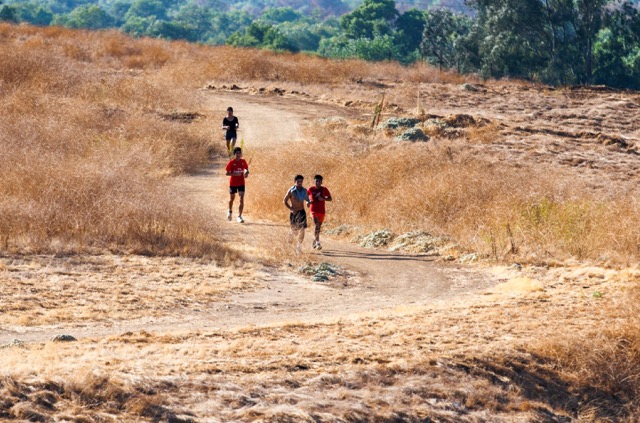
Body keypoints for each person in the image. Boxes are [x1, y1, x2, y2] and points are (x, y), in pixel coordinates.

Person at [283, 174, 310, 253]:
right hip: (294, 213)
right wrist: (291, 209)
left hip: (302, 212)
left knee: (302, 230)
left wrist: (308, 202)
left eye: (301, 181)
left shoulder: (304, 190)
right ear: (295, 181)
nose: (299, 183)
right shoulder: (291, 191)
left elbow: (307, 199)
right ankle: (289, 243)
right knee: (294, 230)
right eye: (298, 181)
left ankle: (299, 246)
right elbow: (284, 201)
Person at [307, 174, 332, 250]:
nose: (317, 183)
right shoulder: (310, 189)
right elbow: (305, 197)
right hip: (313, 210)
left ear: (321, 182)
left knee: (318, 227)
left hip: (321, 211)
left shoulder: (324, 189)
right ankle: (318, 242)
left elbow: (330, 198)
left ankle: (314, 241)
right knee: (316, 225)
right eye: (316, 181)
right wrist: (308, 202)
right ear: (314, 181)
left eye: (319, 181)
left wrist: (323, 199)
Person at [225, 147, 249, 223]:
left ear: (241, 154)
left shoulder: (243, 161)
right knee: (232, 199)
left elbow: (246, 169)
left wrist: (246, 173)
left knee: (241, 198)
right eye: (236, 153)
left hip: (241, 183)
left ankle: (239, 216)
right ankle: (230, 211)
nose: (238, 155)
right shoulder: (231, 163)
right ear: (234, 154)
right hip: (233, 183)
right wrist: (234, 174)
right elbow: (227, 173)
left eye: (239, 153)